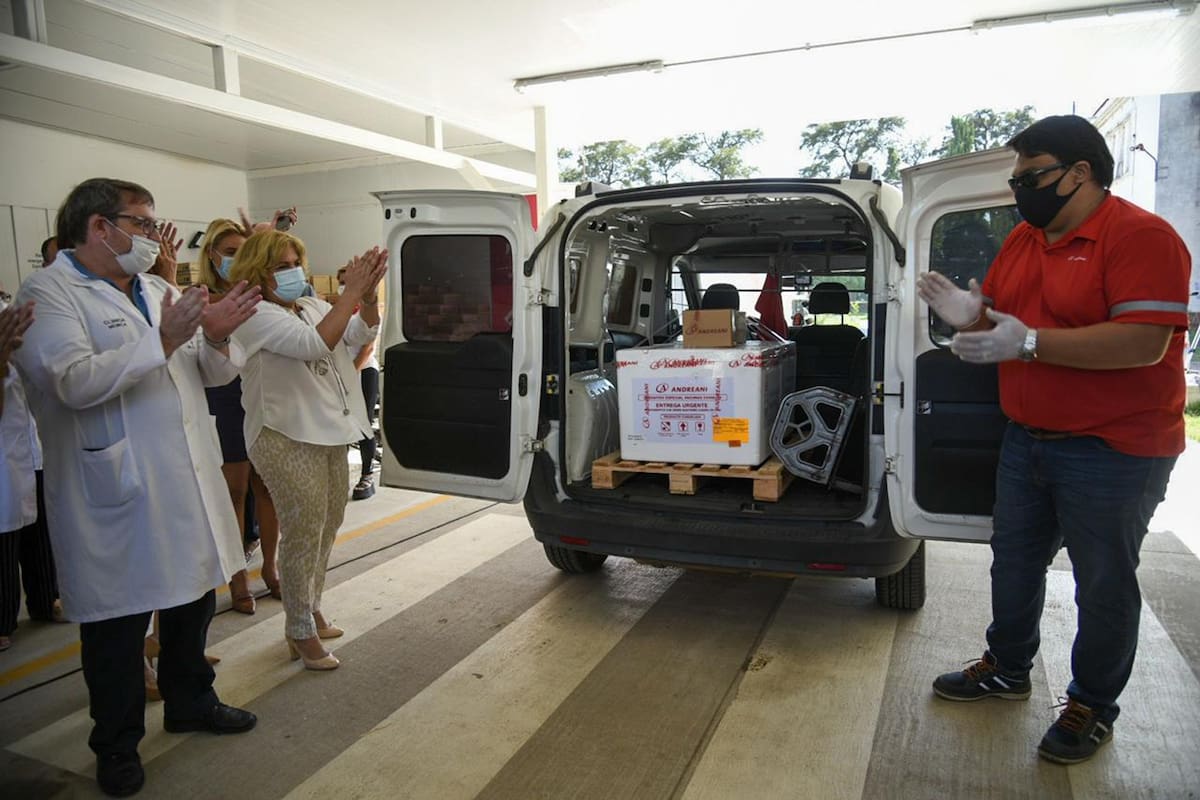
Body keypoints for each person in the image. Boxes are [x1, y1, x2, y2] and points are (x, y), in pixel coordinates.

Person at [918, 115, 1191, 766]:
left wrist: (1031, 343)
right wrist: (969, 315)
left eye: (1030, 176)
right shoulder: (1023, 241)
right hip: (1027, 438)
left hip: (1116, 448)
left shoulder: (1142, 237)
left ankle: (1092, 703)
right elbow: (1001, 322)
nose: (1020, 190)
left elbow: (1142, 341)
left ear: (1080, 173)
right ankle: (1009, 670)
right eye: (1016, 180)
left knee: (1101, 582)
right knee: (1012, 561)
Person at [12, 178, 263, 797]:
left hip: (183, 476)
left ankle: (190, 701)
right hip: (114, 485)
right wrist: (167, 338)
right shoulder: (49, 292)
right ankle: (116, 744)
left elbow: (205, 373)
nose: (154, 237)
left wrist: (216, 335)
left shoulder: (155, 287)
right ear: (100, 227)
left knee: (191, 599)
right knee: (118, 626)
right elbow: (71, 381)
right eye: (144, 224)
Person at [229, 231, 385, 671]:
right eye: (281, 265)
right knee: (303, 529)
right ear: (257, 271)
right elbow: (312, 345)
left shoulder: (311, 304)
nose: (293, 271)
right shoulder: (254, 314)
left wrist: (366, 299)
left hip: (329, 427)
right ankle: (299, 630)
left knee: (327, 523)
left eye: (295, 261)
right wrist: (349, 293)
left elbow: (355, 336)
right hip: (282, 433)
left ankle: (310, 606)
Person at [194, 218, 282, 605]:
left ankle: (270, 566)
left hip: (262, 396)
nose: (235, 259)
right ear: (211, 256)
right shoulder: (200, 297)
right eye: (229, 253)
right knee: (234, 489)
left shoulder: (265, 293)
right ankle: (237, 576)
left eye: (243, 252)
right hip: (224, 398)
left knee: (269, 488)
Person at [0, 294, 61, 652]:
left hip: (32, 443)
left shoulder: (12, 307)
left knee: (40, 532)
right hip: (5, 451)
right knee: (5, 537)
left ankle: (45, 600)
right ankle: (3, 619)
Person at [336, 264, 381, 500]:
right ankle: (339, 474)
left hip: (363, 371)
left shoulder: (366, 311)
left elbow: (368, 347)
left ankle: (367, 474)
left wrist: (350, 371)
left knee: (363, 422)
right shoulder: (336, 311)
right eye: (341, 281)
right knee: (341, 423)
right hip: (342, 373)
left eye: (348, 280)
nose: (345, 285)